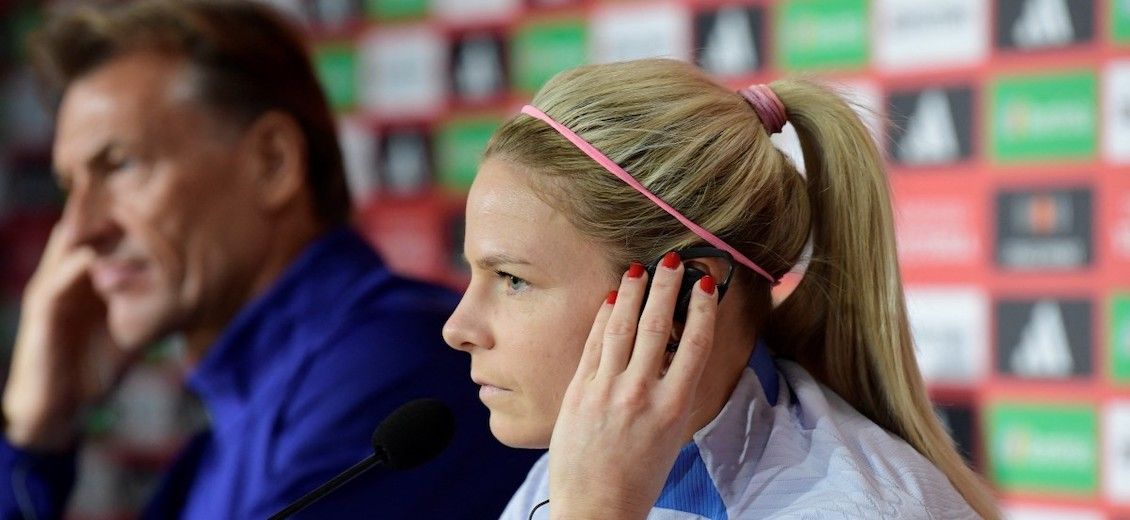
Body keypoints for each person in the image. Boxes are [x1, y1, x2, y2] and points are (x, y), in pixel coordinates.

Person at [0, 1, 539, 518]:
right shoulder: (235, 418)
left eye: (119, 165)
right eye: (70, 185)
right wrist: (36, 433)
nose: (82, 230)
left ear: (273, 162)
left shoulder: (389, 364)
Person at [442, 58, 999, 519]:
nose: (457, 329)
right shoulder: (586, 460)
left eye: (513, 279)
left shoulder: (857, 510)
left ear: (685, 293)